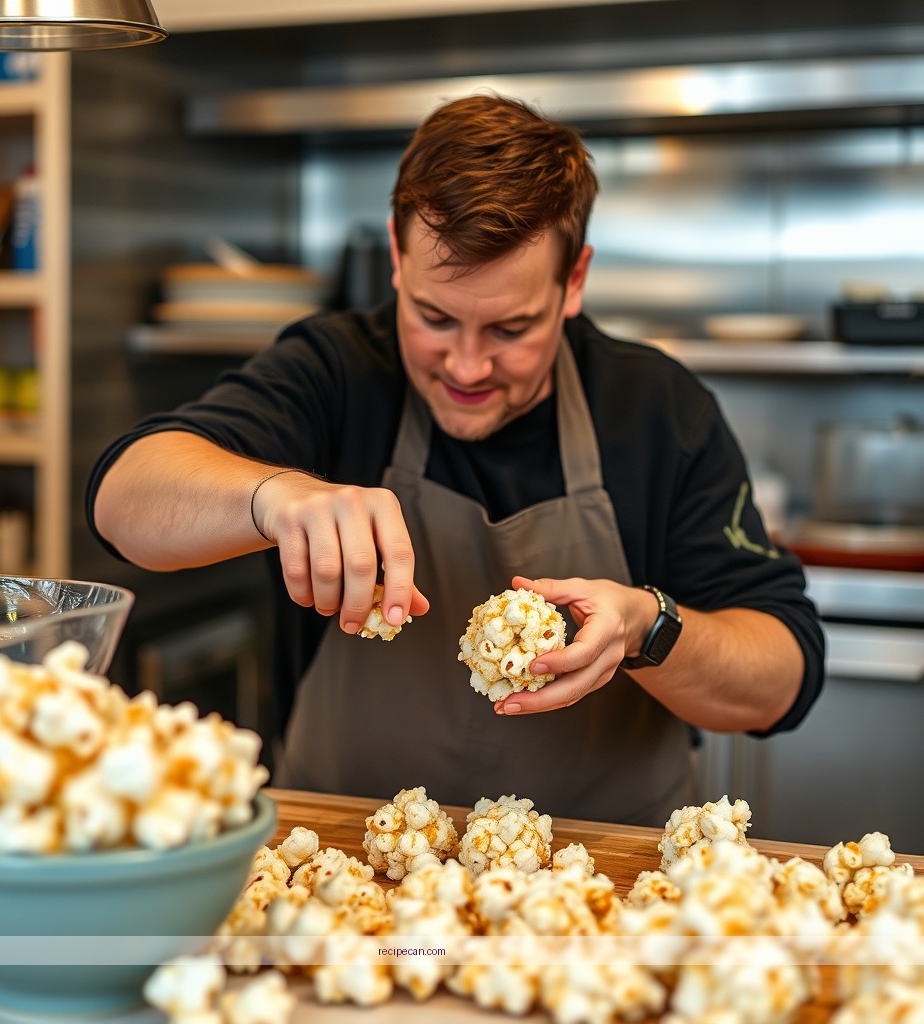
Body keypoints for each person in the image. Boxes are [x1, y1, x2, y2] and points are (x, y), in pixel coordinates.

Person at [88, 93, 824, 827]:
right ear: (398, 261)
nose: (466, 367)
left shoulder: (658, 409)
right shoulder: (337, 371)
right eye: (435, 318)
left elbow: (782, 677)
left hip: (603, 890)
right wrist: (273, 496)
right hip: (348, 870)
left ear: (574, 282)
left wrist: (647, 628)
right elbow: (124, 500)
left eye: (510, 328)